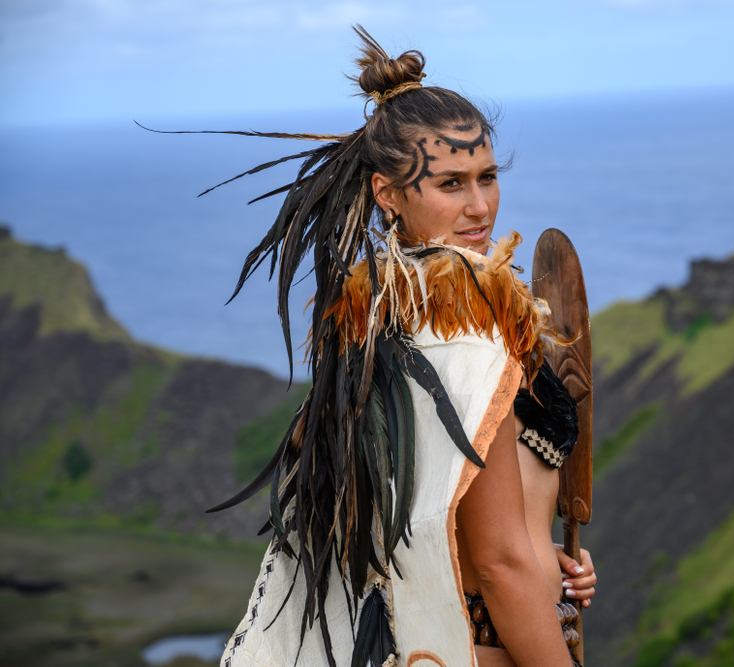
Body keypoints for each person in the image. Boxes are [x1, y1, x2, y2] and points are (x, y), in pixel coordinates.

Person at [201, 27, 595, 667]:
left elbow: (445, 522)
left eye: (487, 177)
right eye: (451, 184)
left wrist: (547, 564)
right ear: (388, 193)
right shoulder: (465, 326)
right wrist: (529, 577)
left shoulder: (378, 321)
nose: (480, 208)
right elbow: (497, 565)